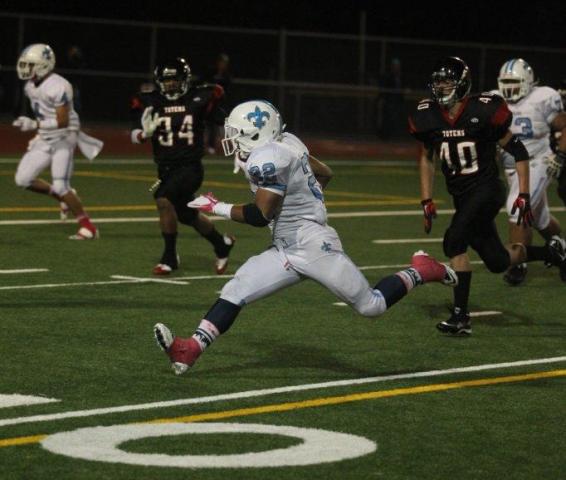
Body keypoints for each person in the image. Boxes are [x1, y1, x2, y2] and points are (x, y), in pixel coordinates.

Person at [153, 100, 458, 375]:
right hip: (286, 247)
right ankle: (190, 348)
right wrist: (303, 199)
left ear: (258, 134)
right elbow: (324, 173)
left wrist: (215, 206)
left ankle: (420, 270)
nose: (230, 138)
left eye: (238, 133)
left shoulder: (269, 158)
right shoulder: (287, 142)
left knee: (371, 306)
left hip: (313, 246)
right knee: (237, 287)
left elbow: (260, 217)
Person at [408, 56, 566, 335]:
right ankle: (551, 251)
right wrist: (426, 199)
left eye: (447, 83)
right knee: (498, 261)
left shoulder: (483, 110)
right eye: (438, 83)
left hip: (487, 190)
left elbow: (518, 151)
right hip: (462, 195)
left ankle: (460, 317)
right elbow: (427, 158)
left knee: (454, 240)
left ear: (461, 85)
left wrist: (524, 194)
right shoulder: (428, 115)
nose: (441, 89)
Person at [130, 57, 235, 275]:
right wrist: (143, 134)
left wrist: (239, 142)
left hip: (190, 167)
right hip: (165, 169)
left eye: (174, 79)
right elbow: (134, 133)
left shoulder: (198, 98)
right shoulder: (151, 101)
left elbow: (224, 122)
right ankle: (221, 244)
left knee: (163, 198)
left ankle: (170, 257)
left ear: (184, 80)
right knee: (188, 215)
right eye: (166, 80)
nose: (170, 84)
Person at [12, 43, 102, 240]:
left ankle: (88, 227)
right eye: (24, 64)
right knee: (22, 179)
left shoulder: (59, 85)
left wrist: (33, 124)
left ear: (44, 65)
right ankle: (62, 198)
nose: (25, 69)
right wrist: (36, 127)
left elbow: (63, 122)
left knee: (62, 184)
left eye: (30, 65)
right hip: (45, 136)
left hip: (64, 137)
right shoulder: (30, 86)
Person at [496, 59, 566, 285]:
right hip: (511, 167)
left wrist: (561, 155)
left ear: (527, 82)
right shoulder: (495, 100)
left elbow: (564, 125)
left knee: (517, 208)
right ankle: (559, 247)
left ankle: (519, 264)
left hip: (538, 161)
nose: (509, 87)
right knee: (539, 217)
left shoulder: (542, 97)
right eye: (505, 82)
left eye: (514, 82)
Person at [205, 53, 232, 155]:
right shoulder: (210, 72)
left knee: (218, 126)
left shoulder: (226, 76)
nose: (222, 65)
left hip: (220, 105)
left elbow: (228, 91)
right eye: (221, 62)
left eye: (224, 63)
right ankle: (206, 146)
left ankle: (218, 147)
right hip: (208, 103)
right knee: (206, 124)